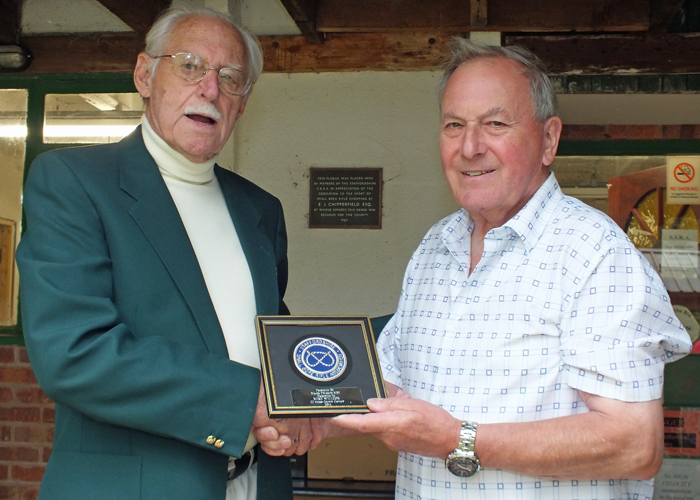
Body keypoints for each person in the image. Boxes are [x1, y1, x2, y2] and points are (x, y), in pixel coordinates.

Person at [319, 39, 693, 499]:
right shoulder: (435, 247)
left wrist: (459, 439)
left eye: (495, 124)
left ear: (549, 140)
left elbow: (635, 445)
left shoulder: (595, 253)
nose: (470, 147)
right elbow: (393, 385)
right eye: (454, 125)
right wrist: (316, 421)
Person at [16, 7, 312, 500]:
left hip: (258, 483)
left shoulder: (261, 209)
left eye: (230, 78)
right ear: (144, 75)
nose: (210, 89)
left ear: (243, 103)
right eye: (190, 65)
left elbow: (267, 333)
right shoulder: (72, 182)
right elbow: (75, 351)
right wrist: (250, 401)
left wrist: (307, 399)